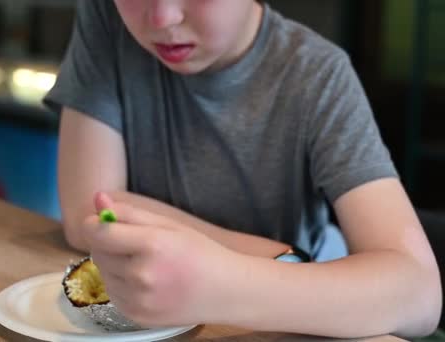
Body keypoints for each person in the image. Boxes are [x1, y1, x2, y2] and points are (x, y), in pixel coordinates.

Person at [44, 0, 442, 338]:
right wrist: (275, 256)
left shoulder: (317, 75)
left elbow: (419, 294)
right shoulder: (107, 22)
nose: (162, 17)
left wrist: (219, 281)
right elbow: (88, 213)